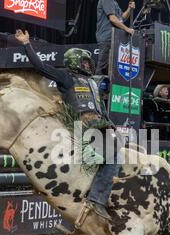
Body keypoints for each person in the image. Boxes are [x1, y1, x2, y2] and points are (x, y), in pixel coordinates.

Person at [14, 29, 117, 221]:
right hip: (81, 125)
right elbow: (40, 66)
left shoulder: (93, 84)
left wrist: (111, 125)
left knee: (116, 154)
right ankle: (97, 199)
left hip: (97, 125)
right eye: (84, 62)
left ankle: (100, 193)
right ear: (75, 62)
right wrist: (26, 44)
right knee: (111, 155)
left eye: (88, 62)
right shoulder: (67, 78)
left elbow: (101, 109)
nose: (88, 65)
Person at [96, 0, 135, 75]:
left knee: (112, 67)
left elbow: (121, 18)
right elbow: (112, 18)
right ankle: (97, 85)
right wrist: (127, 29)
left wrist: (129, 9)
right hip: (107, 36)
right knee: (102, 66)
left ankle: (108, 85)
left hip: (115, 38)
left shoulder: (114, 2)